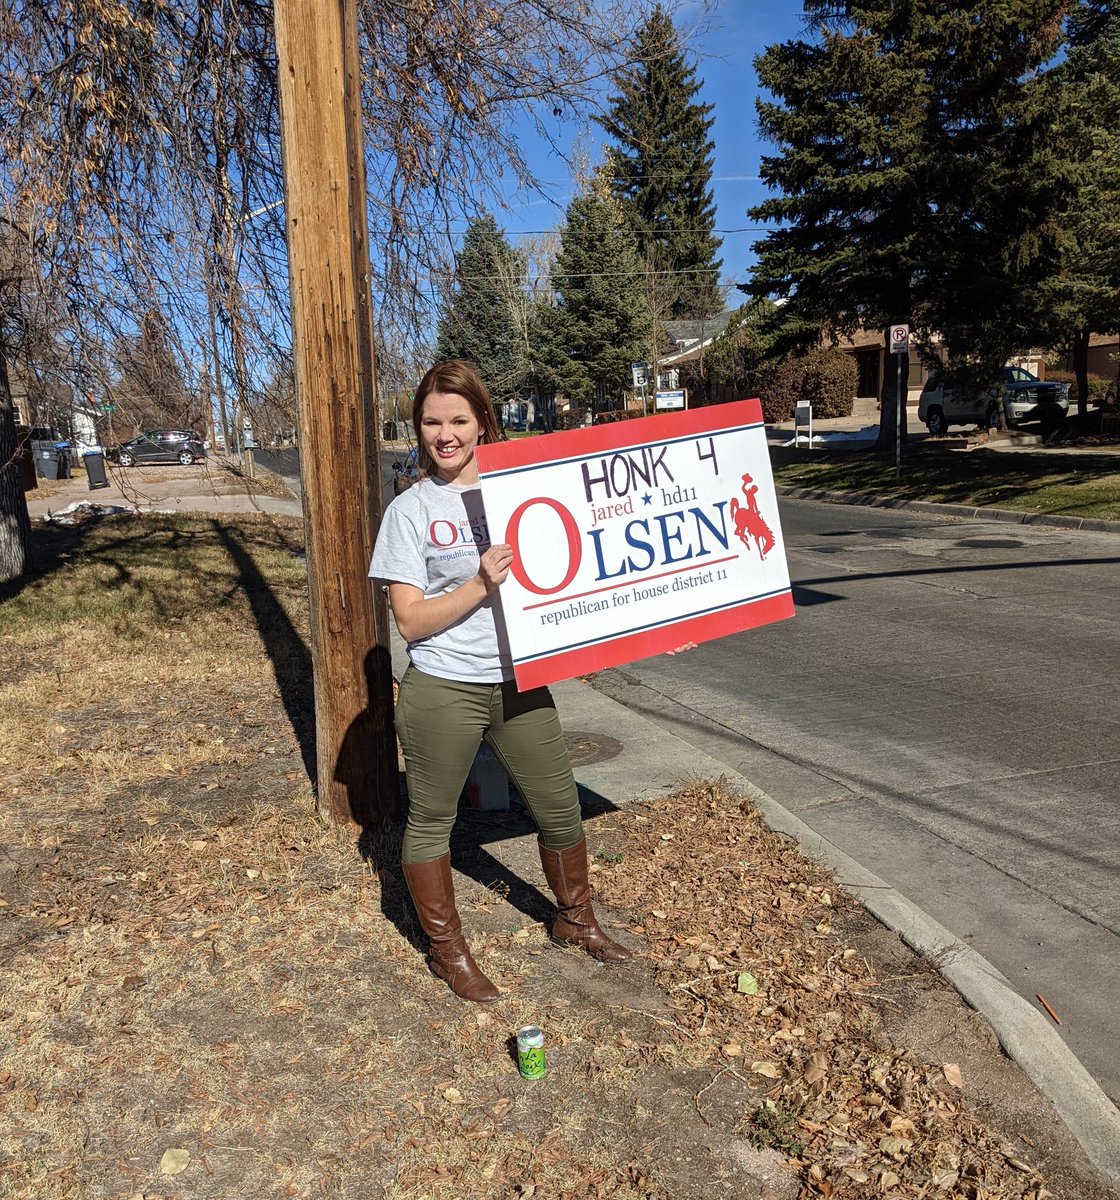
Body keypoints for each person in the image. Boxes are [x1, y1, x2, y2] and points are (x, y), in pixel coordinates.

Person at [369, 359, 633, 1003]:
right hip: (444, 687)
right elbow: (409, 620)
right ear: (419, 429)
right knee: (432, 821)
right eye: (431, 422)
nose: (445, 434)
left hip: (521, 680)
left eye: (458, 419)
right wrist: (478, 582)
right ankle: (447, 951)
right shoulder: (408, 511)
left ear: (483, 421)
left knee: (559, 807)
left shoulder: (526, 490)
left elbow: (580, 569)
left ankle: (575, 918)